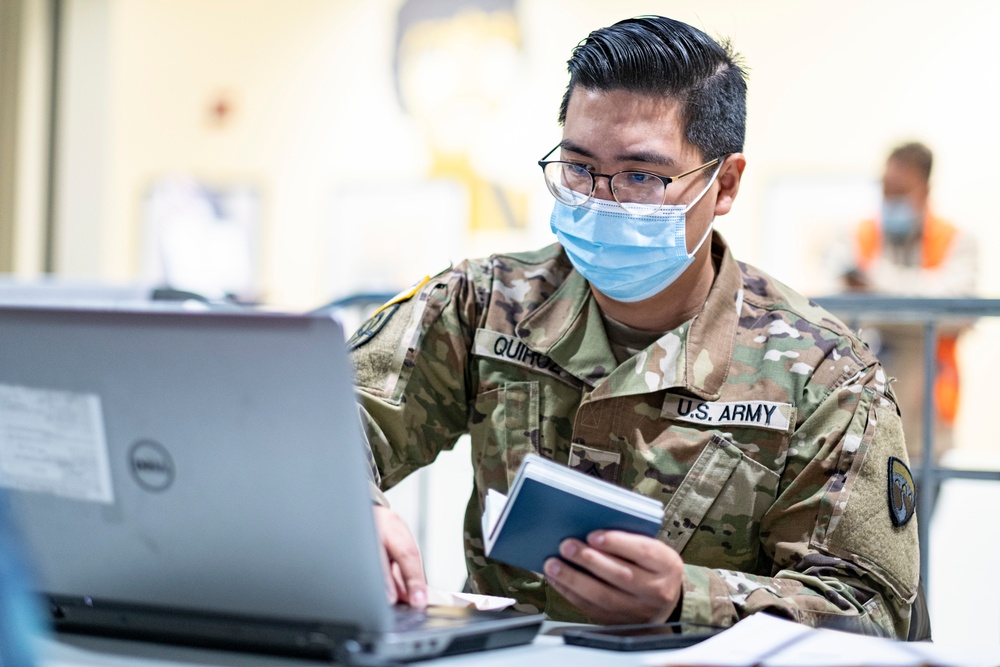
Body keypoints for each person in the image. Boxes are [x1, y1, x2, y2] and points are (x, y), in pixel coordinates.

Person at [351, 16, 921, 639]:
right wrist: (350, 502)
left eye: (642, 176)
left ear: (724, 183)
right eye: (578, 166)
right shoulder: (483, 303)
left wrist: (687, 598)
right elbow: (318, 419)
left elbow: (870, 611)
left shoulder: (822, 375)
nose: (601, 199)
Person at [834, 142, 977, 463]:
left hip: (926, 417)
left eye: (900, 191)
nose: (890, 200)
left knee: (921, 507)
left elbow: (957, 311)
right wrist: (917, 308)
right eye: (886, 189)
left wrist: (874, 285)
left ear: (924, 190)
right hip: (860, 415)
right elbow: (835, 312)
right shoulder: (858, 236)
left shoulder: (956, 241)